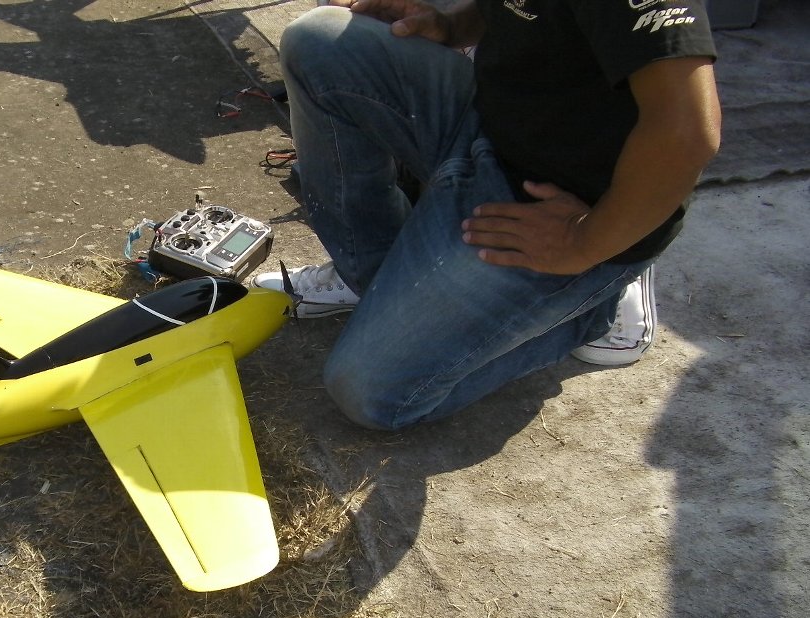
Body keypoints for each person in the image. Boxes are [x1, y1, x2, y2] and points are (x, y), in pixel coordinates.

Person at [253, 0, 721, 430]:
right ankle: (377, 280)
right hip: (488, 126)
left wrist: (587, 242)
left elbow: (688, 133)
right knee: (320, 42)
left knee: (371, 394)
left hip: (547, 209)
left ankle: (591, 304)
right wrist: (453, 25)